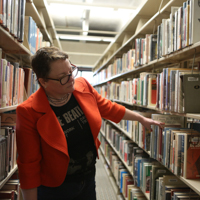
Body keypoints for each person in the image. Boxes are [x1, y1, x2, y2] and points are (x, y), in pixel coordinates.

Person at [16, 46, 163, 200]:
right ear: (43, 81)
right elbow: (28, 164)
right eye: (63, 77)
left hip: (87, 178)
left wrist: (141, 118)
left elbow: (108, 108)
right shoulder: (28, 112)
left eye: (71, 71)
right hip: (56, 189)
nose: (71, 78)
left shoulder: (82, 86)